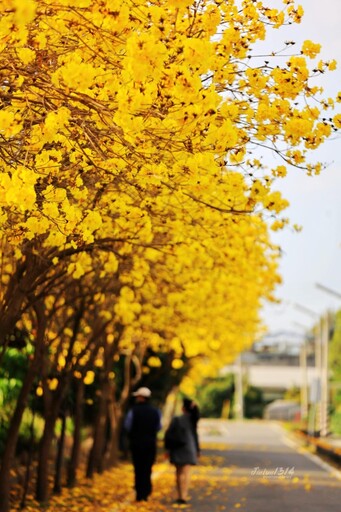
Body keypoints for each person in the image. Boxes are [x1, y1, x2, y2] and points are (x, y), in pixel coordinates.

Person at [123, 387, 162, 502]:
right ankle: (146, 491)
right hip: (150, 444)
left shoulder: (133, 411)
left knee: (138, 468)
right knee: (148, 468)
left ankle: (139, 492)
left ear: (141, 397)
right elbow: (159, 427)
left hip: (136, 443)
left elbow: (127, 426)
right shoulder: (156, 411)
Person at [165, 397, 200, 505]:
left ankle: (180, 495)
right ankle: (184, 495)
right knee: (186, 472)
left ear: (182, 409)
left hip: (177, 448)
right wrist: (198, 450)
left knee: (178, 473)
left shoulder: (176, 419)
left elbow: (169, 434)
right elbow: (195, 435)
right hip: (189, 448)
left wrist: (168, 449)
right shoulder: (192, 419)